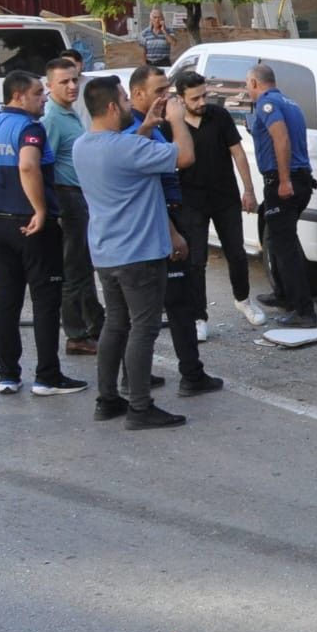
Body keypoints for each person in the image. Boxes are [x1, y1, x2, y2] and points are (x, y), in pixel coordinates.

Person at [0, 69, 83, 397]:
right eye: (39, 93)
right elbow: (28, 165)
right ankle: (48, 377)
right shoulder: (29, 128)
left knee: (7, 302)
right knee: (46, 301)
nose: (44, 98)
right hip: (32, 226)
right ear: (19, 96)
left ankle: (8, 375)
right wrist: (39, 209)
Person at [73, 75, 198, 429]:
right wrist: (175, 119)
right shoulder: (126, 149)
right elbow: (185, 156)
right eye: (126, 100)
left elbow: (124, 156)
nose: (130, 104)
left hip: (107, 253)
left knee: (116, 324)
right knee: (144, 329)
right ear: (113, 107)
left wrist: (145, 126)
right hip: (139, 253)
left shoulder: (84, 145)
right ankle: (140, 407)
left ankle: (107, 399)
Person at [126, 66, 214, 386]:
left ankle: (140, 375)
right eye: (159, 91)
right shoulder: (137, 128)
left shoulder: (149, 126)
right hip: (160, 220)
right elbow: (181, 160)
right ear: (138, 94)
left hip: (164, 216)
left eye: (168, 90)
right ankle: (189, 373)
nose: (167, 97)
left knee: (164, 303)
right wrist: (173, 232)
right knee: (174, 302)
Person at [170, 69, 265, 332]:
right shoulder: (172, 125)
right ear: (181, 99)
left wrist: (248, 190)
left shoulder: (219, 116)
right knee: (196, 260)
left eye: (204, 96)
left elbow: (238, 153)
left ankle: (243, 299)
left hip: (225, 197)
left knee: (236, 253)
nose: (202, 102)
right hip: (191, 201)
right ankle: (199, 316)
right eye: (195, 99)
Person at [41, 56, 106, 355]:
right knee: (74, 269)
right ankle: (77, 334)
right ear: (48, 85)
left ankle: (96, 325)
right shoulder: (52, 119)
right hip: (67, 199)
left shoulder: (69, 114)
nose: (71, 86)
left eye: (74, 80)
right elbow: (43, 165)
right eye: (63, 82)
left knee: (84, 265)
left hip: (80, 197)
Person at [247, 63, 317, 328]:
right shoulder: (291, 102)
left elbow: (282, 139)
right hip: (299, 180)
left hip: (285, 182)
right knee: (277, 237)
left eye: (247, 85)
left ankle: (303, 311)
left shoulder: (267, 104)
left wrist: (284, 180)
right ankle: (284, 295)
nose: (247, 89)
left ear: (255, 83)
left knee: (284, 246)